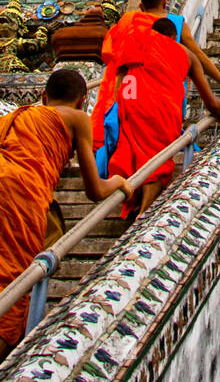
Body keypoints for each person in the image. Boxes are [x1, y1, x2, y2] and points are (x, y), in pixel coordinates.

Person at [0, 69, 131, 359]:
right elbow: (94, 190)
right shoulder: (77, 119)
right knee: (13, 284)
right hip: (21, 193)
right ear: (84, 100)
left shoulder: (14, 118)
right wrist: (119, 182)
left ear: (43, 96)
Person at [91, 0, 220, 173]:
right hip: (163, 103)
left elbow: (115, 62)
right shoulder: (175, 24)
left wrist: (115, 100)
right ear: (164, 2)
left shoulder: (128, 22)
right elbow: (199, 59)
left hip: (129, 101)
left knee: (127, 152)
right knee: (157, 159)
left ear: (140, 6)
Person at [109, 18, 220, 219]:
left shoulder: (139, 40)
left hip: (131, 103)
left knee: (131, 151)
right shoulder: (186, 53)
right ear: (175, 37)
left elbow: (120, 75)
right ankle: (144, 212)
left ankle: (132, 200)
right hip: (162, 109)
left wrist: (114, 106)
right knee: (158, 159)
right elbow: (210, 102)